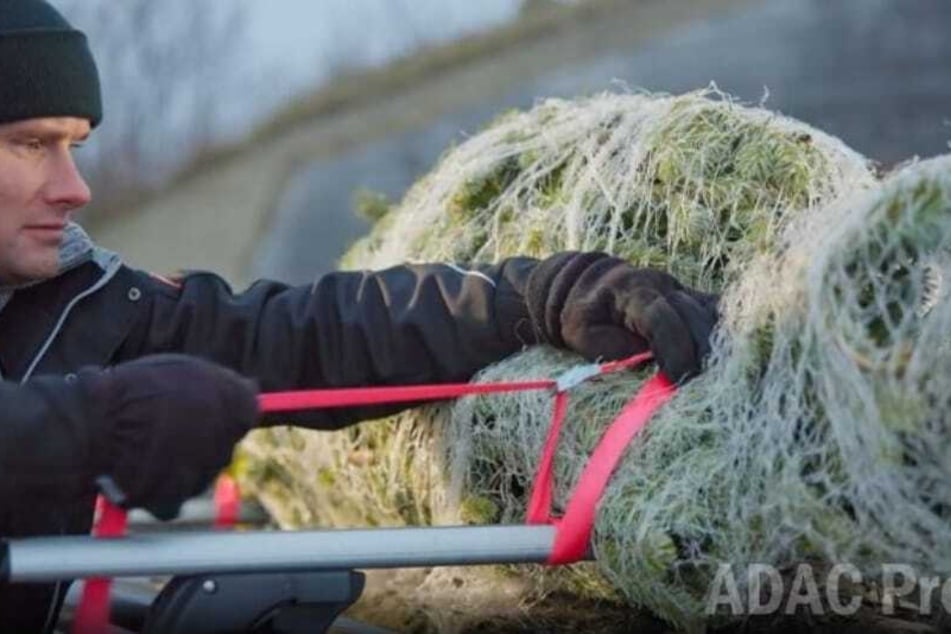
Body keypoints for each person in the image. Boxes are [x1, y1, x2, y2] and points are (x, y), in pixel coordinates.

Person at [0, 1, 719, 631]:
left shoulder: (82, 301)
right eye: (31, 143)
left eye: (75, 146)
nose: (75, 188)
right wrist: (81, 425)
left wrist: (529, 299)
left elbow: (298, 335)